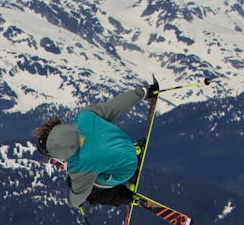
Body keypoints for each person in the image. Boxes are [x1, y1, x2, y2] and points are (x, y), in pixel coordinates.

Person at [33, 79, 158, 209]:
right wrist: (142, 92)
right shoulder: (84, 117)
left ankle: (128, 197)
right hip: (126, 144)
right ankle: (135, 150)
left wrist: (72, 201)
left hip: (126, 169)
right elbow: (115, 106)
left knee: (91, 192)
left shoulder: (79, 166)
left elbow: (77, 198)